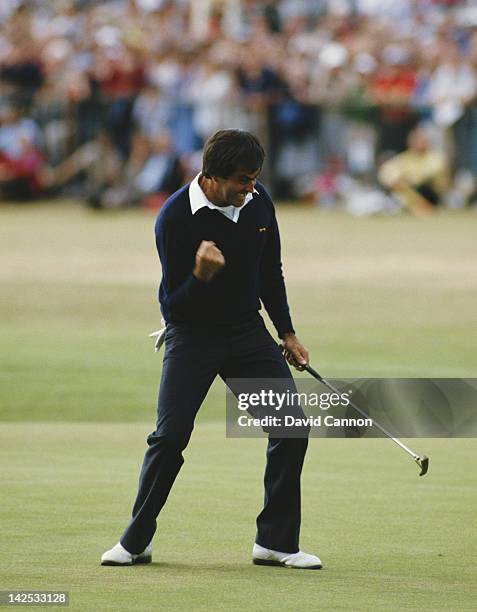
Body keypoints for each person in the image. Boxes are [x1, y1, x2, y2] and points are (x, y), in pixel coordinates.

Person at [101, 129, 322, 570]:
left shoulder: (258, 204)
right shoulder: (174, 218)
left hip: (246, 334)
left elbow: (269, 271)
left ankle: (275, 543)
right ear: (211, 176)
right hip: (191, 336)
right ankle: (136, 540)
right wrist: (200, 275)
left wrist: (287, 332)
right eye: (241, 179)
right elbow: (173, 306)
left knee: (291, 428)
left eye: (254, 178)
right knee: (170, 438)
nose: (249, 188)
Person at [378, 126, 449, 216]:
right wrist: (396, 180)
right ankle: (414, 207)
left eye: (421, 140)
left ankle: (420, 207)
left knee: (415, 186)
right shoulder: (405, 158)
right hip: (407, 191)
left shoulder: (434, 157)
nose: (418, 143)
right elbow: (386, 173)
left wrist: (406, 179)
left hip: (430, 193)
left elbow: (427, 175)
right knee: (396, 184)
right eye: (415, 141)